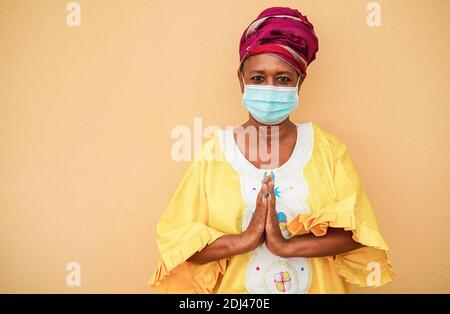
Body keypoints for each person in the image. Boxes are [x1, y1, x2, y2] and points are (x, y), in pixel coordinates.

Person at [148, 6, 394, 294]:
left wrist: (285, 246)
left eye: (283, 79)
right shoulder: (213, 153)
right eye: (258, 78)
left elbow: (357, 231)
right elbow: (178, 244)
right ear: (241, 81)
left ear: (299, 83)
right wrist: (246, 240)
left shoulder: (328, 150)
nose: (270, 88)